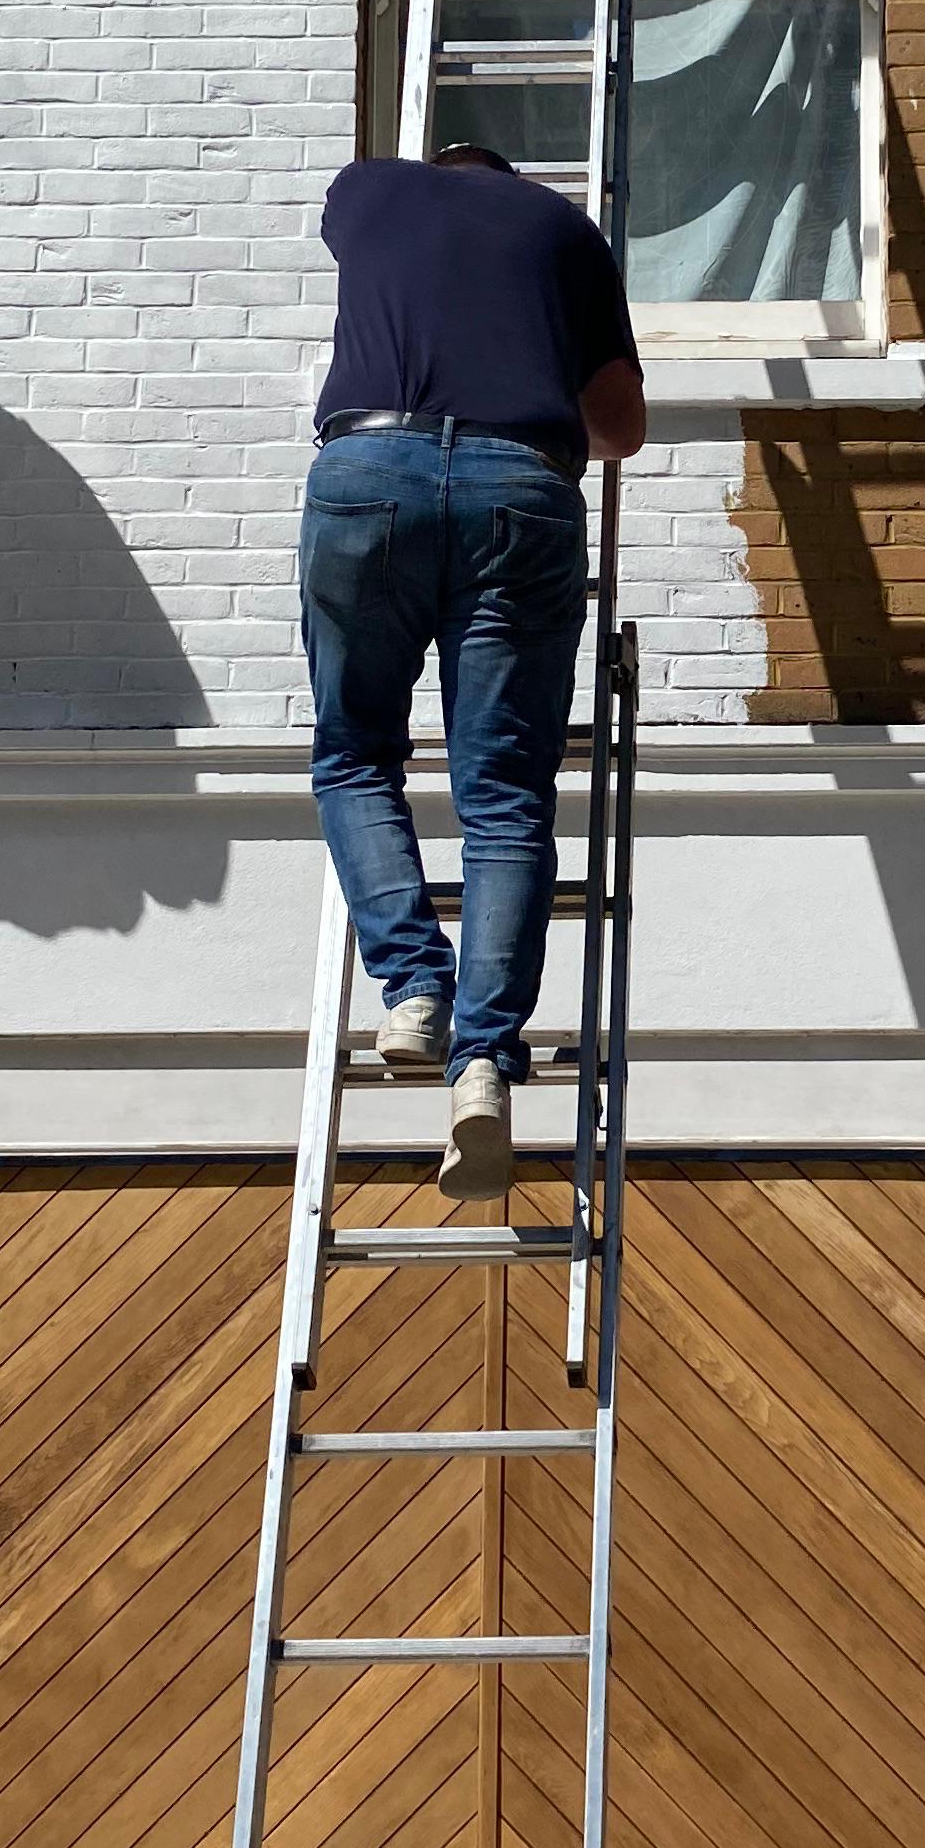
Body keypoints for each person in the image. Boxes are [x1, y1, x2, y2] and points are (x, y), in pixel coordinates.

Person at [302, 143, 646, 1198]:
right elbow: (621, 429)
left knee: (357, 755)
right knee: (504, 796)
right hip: (521, 490)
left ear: (439, 164)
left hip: (368, 472)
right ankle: (486, 1062)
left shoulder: (367, 189)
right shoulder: (569, 232)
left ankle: (415, 990)